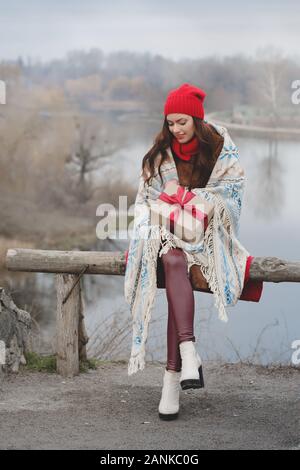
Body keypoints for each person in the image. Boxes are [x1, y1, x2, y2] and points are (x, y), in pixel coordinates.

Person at [124, 83, 263, 421]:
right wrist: (167, 203)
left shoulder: (218, 147)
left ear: (196, 120)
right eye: (170, 123)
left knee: (180, 263)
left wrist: (200, 200)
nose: (176, 129)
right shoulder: (159, 153)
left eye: (182, 122)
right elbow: (144, 201)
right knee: (173, 259)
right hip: (167, 234)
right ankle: (186, 358)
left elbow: (233, 192)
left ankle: (174, 375)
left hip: (208, 233)